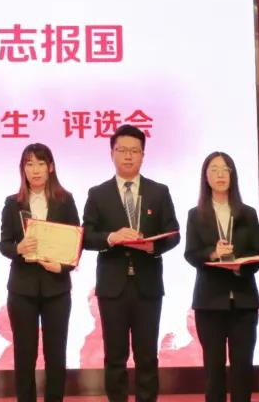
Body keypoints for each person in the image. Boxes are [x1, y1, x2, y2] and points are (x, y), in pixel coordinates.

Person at [82, 123, 180, 402]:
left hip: (147, 285)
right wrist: (111, 237)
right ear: (111, 153)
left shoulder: (158, 192)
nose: (128, 156)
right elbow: (85, 236)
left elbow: (174, 233)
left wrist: (153, 246)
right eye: (122, 150)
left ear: (143, 155)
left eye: (134, 151)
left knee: (147, 355)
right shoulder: (98, 193)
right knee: (115, 356)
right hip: (112, 287)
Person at [0, 142, 80, 402]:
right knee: (24, 354)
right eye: (29, 164)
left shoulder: (65, 201)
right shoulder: (13, 203)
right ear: (22, 169)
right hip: (22, 289)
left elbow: (76, 242)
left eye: (41, 164)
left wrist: (63, 266)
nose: (35, 170)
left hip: (57, 287)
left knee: (56, 354)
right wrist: (18, 248)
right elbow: (4, 244)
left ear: (50, 167)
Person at [183, 152, 259, 402]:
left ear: (233, 175)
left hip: (244, 301)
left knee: (243, 368)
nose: (220, 174)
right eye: (214, 169)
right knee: (214, 369)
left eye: (225, 169)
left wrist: (239, 264)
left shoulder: (248, 213)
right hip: (210, 301)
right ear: (205, 177)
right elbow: (191, 254)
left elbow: (258, 252)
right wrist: (213, 253)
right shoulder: (196, 214)